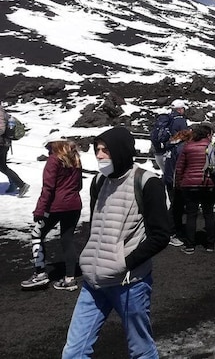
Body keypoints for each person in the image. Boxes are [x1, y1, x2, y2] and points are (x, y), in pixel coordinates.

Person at [62, 126, 170, 359]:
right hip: (94, 282)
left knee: (140, 350)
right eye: (97, 149)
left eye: (105, 150)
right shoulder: (99, 181)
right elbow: (97, 226)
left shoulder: (147, 183)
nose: (99, 155)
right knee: (73, 352)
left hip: (129, 283)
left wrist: (125, 263)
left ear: (120, 151)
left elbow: (161, 235)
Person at [21, 137, 83, 291]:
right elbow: (79, 185)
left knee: (37, 234)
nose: (48, 150)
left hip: (55, 206)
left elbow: (48, 188)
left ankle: (40, 274)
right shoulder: (75, 159)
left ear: (55, 145)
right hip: (74, 205)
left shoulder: (53, 161)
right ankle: (70, 279)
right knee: (67, 239)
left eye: (49, 147)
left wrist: (40, 210)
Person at [175, 123, 215, 254]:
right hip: (207, 183)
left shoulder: (188, 147)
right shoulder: (210, 147)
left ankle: (190, 245)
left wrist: (179, 183)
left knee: (191, 215)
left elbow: (180, 167)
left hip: (189, 184)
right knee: (208, 213)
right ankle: (210, 244)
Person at [163, 128, 193, 247]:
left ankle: (175, 229)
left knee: (175, 206)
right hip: (176, 181)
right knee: (176, 207)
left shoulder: (172, 146)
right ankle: (171, 233)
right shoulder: (181, 149)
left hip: (169, 178)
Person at [0, 105, 30, 197]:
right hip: (4, 143)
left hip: (1, 144)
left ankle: (21, 185)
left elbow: (1, 129)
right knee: (2, 166)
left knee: (2, 167)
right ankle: (16, 183)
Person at [152, 99, 188, 172]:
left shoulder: (167, 118)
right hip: (173, 153)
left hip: (160, 152)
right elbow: (185, 136)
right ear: (179, 109)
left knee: (166, 175)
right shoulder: (180, 121)